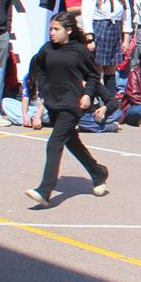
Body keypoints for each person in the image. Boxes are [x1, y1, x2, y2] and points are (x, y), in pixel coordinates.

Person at [23, 11, 111, 207]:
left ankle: (45, 190)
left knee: (54, 143)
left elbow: (93, 76)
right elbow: (37, 67)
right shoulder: (47, 49)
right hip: (54, 103)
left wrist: (87, 94)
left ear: (68, 30)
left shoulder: (79, 51)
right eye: (51, 29)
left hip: (72, 105)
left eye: (56, 29)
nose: (52, 33)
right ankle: (98, 172)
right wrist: (44, 87)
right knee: (72, 142)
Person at [80, 0, 130, 104]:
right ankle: (93, 102)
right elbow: (86, 16)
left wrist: (126, 39)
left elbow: (126, 17)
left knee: (111, 70)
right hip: (99, 30)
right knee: (96, 69)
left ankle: (110, 104)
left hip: (114, 31)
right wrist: (90, 38)